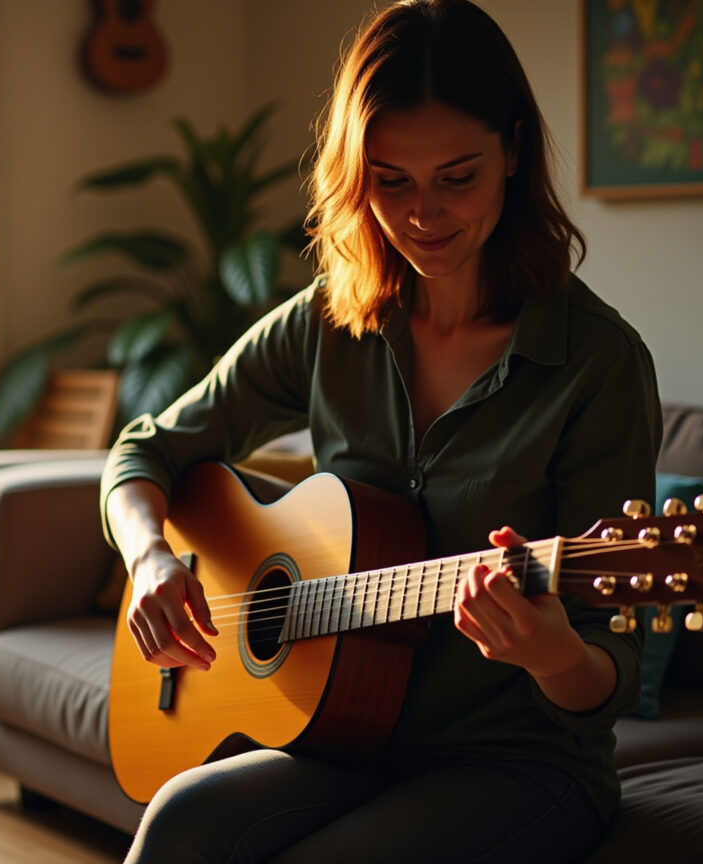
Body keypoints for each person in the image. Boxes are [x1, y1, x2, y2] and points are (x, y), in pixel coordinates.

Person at [99, 1, 661, 861]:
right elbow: (147, 450)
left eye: (457, 176)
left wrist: (550, 654)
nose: (423, 215)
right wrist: (149, 559)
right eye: (390, 181)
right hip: (347, 739)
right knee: (178, 824)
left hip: (518, 763)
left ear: (513, 151)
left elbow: (607, 668)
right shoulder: (328, 324)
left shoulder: (598, 365)